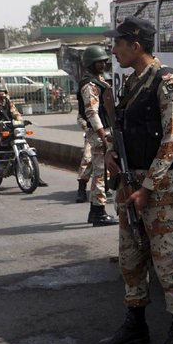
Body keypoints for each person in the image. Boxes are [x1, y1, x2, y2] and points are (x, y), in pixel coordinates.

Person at [96, 17, 173, 344]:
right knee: (131, 256)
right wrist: (110, 153)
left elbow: (172, 140)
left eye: (118, 44)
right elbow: (122, 130)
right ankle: (135, 324)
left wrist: (148, 187)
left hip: (159, 187)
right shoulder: (132, 82)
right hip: (129, 182)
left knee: (169, 259)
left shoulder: (167, 83)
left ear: (135, 45)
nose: (114, 50)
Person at [78, 44, 118, 226]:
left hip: (105, 131)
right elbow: (91, 113)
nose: (102, 64)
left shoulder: (99, 80)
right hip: (99, 133)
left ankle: (96, 212)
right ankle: (98, 213)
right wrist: (103, 136)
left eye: (103, 61)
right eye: (98, 62)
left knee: (102, 174)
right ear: (90, 64)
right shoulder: (89, 85)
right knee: (100, 174)